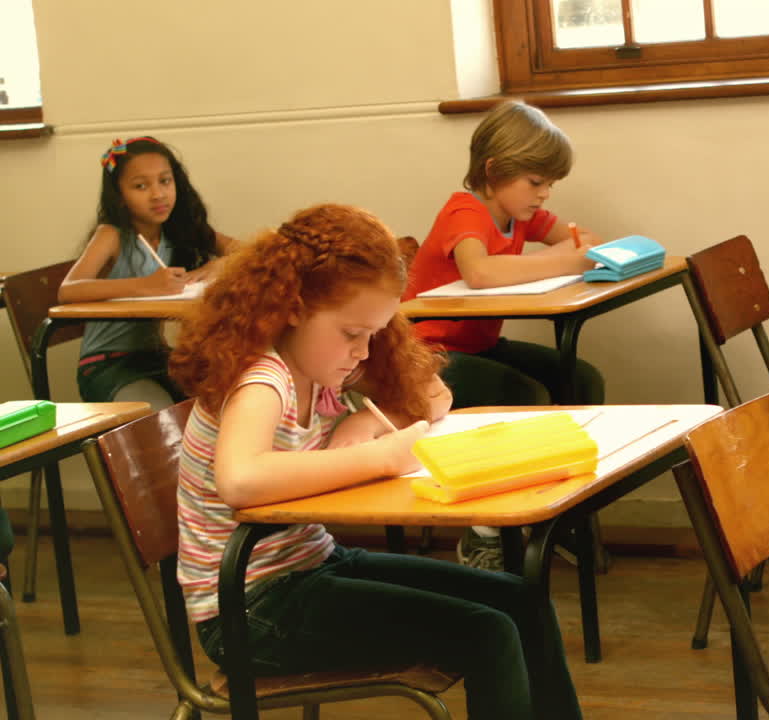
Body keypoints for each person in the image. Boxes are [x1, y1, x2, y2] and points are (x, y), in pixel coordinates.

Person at [168, 204, 582, 720]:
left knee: (522, 601)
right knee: (488, 632)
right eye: (351, 333)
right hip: (248, 609)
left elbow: (434, 394)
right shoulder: (263, 378)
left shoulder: (321, 362)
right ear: (293, 307)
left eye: (372, 333)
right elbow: (240, 479)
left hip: (310, 566)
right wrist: (378, 457)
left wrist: (363, 421)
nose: (363, 352)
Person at [403, 100, 606, 569]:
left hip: (477, 345)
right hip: (425, 353)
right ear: (493, 171)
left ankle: (563, 517)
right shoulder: (465, 211)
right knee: (522, 395)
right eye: (536, 182)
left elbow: (575, 240)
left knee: (581, 379)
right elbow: (479, 271)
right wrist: (572, 260)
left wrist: (587, 248)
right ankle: (486, 531)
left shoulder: (521, 215)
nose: (545, 194)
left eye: (550, 183)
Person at [59, 136, 237, 406]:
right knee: (160, 419)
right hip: (108, 364)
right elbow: (68, 290)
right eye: (141, 186)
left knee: (225, 397)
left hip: (159, 359)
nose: (158, 194)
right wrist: (148, 285)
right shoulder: (112, 234)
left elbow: (250, 251)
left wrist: (218, 264)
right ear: (119, 196)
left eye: (165, 181)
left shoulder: (178, 230)